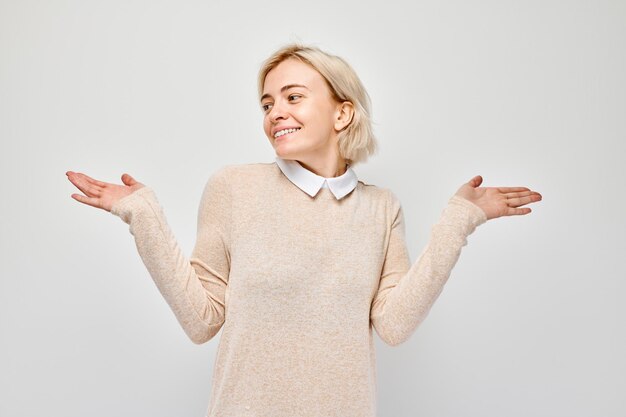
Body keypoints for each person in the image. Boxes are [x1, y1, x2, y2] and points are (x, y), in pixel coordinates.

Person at [66, 43, 542, 417]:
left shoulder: (381, 207)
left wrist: (458, 221)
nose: (275, 113)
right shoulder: (233, 187)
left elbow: (393, 325)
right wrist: (143, 215)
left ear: (342, 113)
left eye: (293, 97)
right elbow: (202, 320)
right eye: (267, 103)